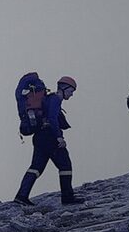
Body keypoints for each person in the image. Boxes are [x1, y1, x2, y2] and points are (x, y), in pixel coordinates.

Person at [14, 77, 83, 205]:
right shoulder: (55, 99)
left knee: (36, 168)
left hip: (39, 137)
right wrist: (59, 137)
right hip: (49, 137)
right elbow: (52, 118)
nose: (71, 94)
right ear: (64, 88)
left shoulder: (48, 99)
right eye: (71, 91)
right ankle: (67, 197)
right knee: (65, 164)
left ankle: (21, 196)